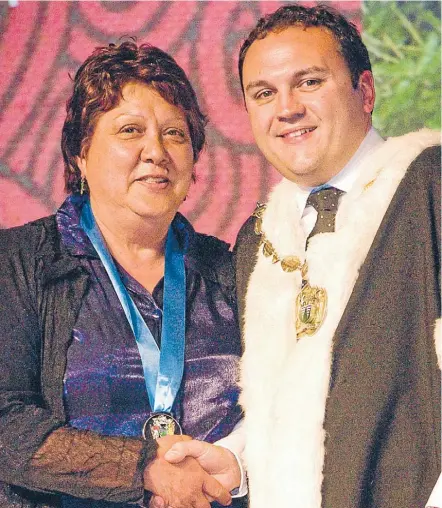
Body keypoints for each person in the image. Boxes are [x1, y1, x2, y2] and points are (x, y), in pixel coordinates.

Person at [158, 4, 441, 508]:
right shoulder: (262, 238)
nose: (285, 108)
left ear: (366, 91)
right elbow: (306, 408)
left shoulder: (429, 187)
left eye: (309, 82)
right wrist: (240, 462)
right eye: (264, 93)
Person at [0, 41, 246, 508]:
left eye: (175, 134)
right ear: (80, 154)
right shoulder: (18, 262)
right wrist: (145, 470)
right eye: (130, 130)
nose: (155, 151)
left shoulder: (230, 270)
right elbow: (6, 424)